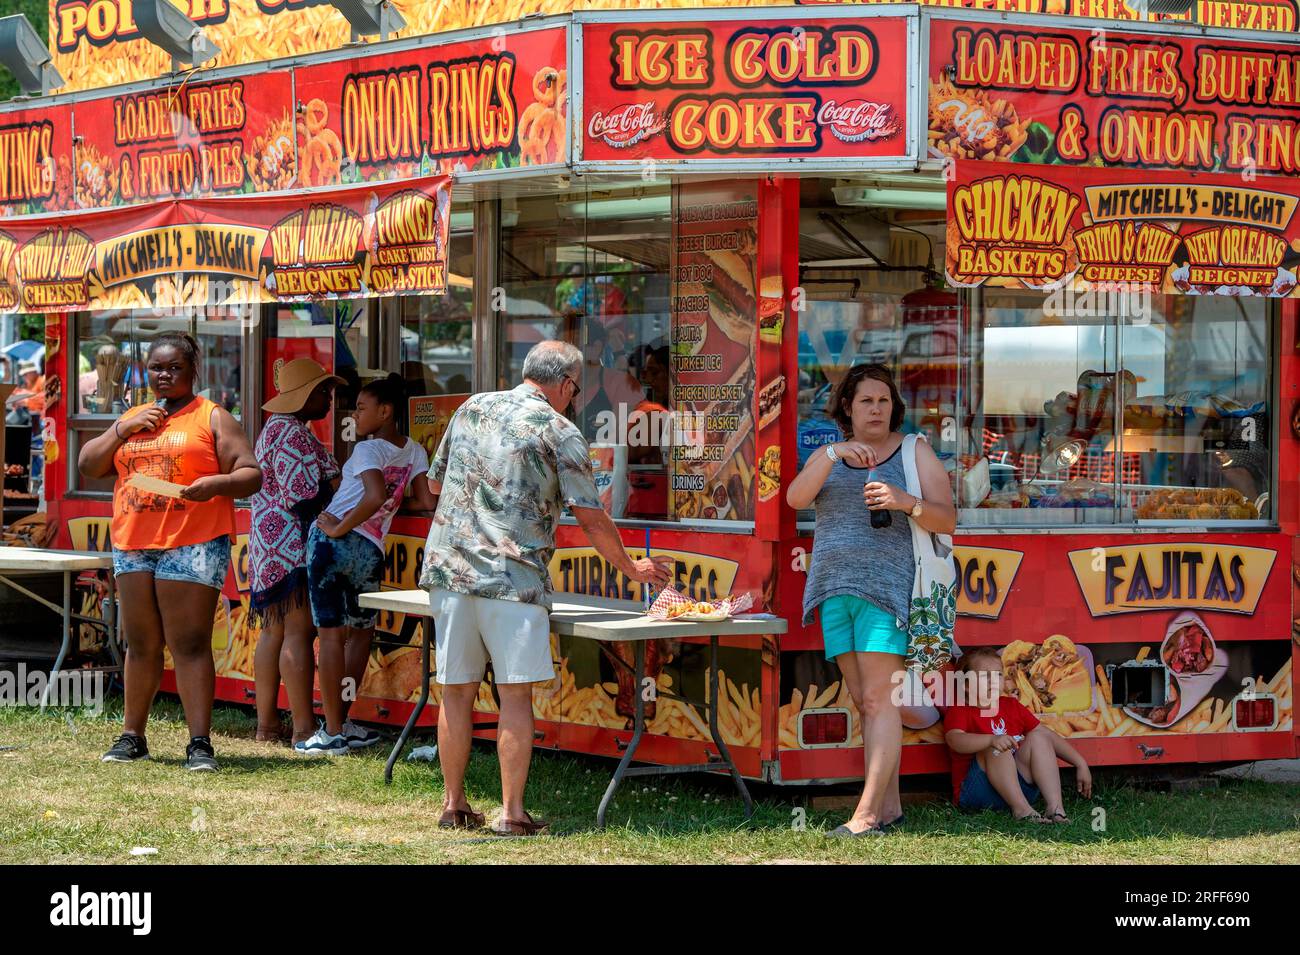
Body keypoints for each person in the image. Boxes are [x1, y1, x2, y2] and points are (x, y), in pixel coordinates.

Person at [421, 340, 673, 835]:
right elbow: (592, 518)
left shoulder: (472, 406)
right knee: (515, 698)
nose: (574, 401)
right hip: (513, 580)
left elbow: (434, 484)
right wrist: (631, 568)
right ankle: (512, 814)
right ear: (565, 384)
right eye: (575, 392)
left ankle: (454, 805)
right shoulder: (561, 431)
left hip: (448, 573)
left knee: (455, 693)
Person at [786, 363, 956, 836]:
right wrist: (832, 452)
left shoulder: (913, 450)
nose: (876, 409)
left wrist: (907, 503)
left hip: (889, 590)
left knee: (881, 699)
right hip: (834, 588)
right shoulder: (830, 454)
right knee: (865, 699)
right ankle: (890, 807)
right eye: (866, 401)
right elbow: (796, 499)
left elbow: (948, 520)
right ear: (847, 407)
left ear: (893, 406)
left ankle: (863, 818)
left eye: (883, 400)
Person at [79, 331, 262, 771]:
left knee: (189, 643)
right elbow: (90, 464)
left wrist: (215, 485)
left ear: (192, 370)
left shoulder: (212, 417)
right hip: (134, 542)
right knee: (140, 642)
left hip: (193, 541)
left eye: (174, 367)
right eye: (157, 368)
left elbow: (251, 473)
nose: (164, 375)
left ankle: (199, 743)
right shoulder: (137, 415)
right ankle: (132, 737)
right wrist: (122, 428)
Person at [302, 373, 435, 756]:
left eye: (361, 408)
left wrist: (341, 524)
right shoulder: (414, 452)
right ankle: (344, 720)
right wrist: (393, 503)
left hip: (333, 543)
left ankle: (330, 732)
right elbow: (423, 502)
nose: (355, 416)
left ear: (386, 411)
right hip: (371, 548)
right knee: (359, 635)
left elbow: (374, 494)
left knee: (330, 635)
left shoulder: (366, 449)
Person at [249, 359, 343, 745]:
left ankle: (266, 726)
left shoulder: (275, 429)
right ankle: (303, 728)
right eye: (323, 391)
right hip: (292, 547)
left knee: (273, 633)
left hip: (267, 547)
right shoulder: (293, 434)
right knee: (298, 633)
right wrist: (334, 491)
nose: (328, 399)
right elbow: (304, 498)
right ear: (303, 395)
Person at [943, 648, 1092, 823]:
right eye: (984, 676)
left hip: (1019, 789)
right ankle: (1022, 810)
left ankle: (1055, 808)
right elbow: (955, 740)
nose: (994, 681)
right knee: (995, 746)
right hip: (976, 792)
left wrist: (1080, 762)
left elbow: (1045, 734)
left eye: (998, 675)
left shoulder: (1011, 706)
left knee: (1038, 737)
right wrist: (991, 739)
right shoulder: (960, 711)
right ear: (966, 685)